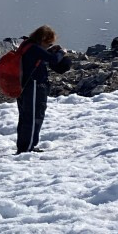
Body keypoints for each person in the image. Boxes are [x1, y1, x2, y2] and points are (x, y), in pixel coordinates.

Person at [17, 25, 72, 154]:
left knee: (25, 117)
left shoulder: (26, 44)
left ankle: (24, 145)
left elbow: (44, 56)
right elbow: (53, 59)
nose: (48, 46)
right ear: (42, 39)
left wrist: (51, 50)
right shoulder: (34, 48)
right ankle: (28, 148)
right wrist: (61, 52)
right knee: (34, 117)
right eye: (48, 43)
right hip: (34, 86)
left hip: (24, 86)